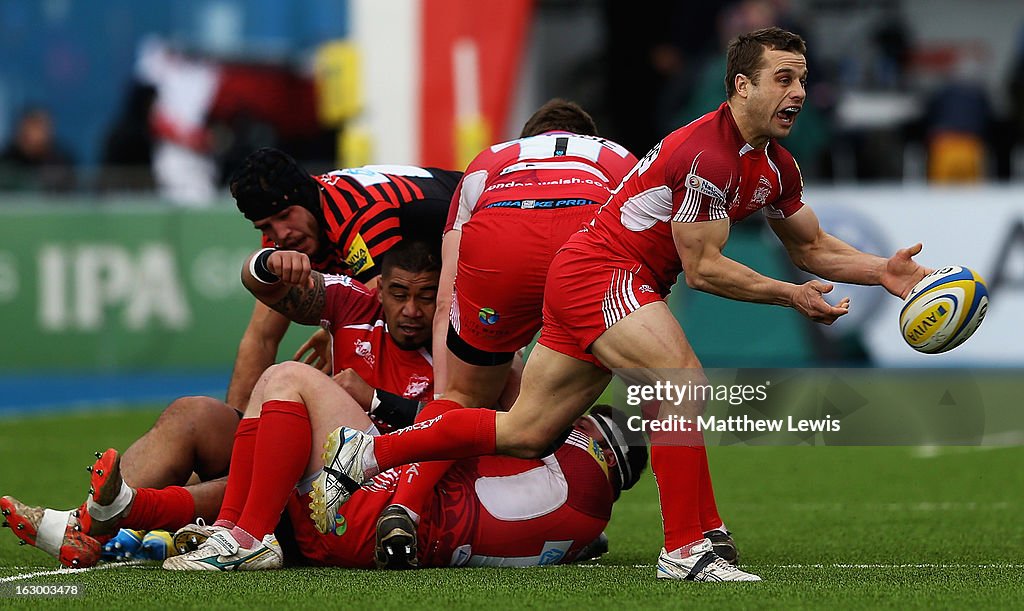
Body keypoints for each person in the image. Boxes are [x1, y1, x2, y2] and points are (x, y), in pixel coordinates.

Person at [310, 27, 934, 582]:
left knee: (527, 433)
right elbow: (704, 268)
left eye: (802, 78)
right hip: (600, 274)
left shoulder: (774, 164)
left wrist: (883, 271)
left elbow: (812, 245)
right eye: (783, 78)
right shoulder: (709, 155)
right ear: (741, 87)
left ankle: (369, 452)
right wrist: (788, 296)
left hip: (596, 276)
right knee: (681, 380)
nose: (798, 91)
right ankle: (689, 547)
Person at [0, 241, 442, 567]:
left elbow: (463, 422)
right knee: (193, 414)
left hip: (359, 491)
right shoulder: (355, 304)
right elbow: (260, 283)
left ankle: (100, 523)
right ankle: (110, 518)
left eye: (426, 297)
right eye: (400, 294)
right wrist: (269, 260)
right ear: (380, 289)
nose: (411, 310)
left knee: (285, 384)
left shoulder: (457, 342)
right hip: (300, 455)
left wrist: (378, 401)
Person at [226, 147, 461, 410]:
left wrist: (334, 329)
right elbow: (261, 336)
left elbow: (381, 314)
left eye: (285, 216)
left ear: (307, 198)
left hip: (478, 222)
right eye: (266, 226)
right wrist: (239, 425)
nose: (281, 234)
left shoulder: (357, 212)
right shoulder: (286, 235)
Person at [0, 106, 76, 192]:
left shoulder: (62, 162)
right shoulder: (5, 160)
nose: (31, 134)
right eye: (28, 127)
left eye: (37, 127)